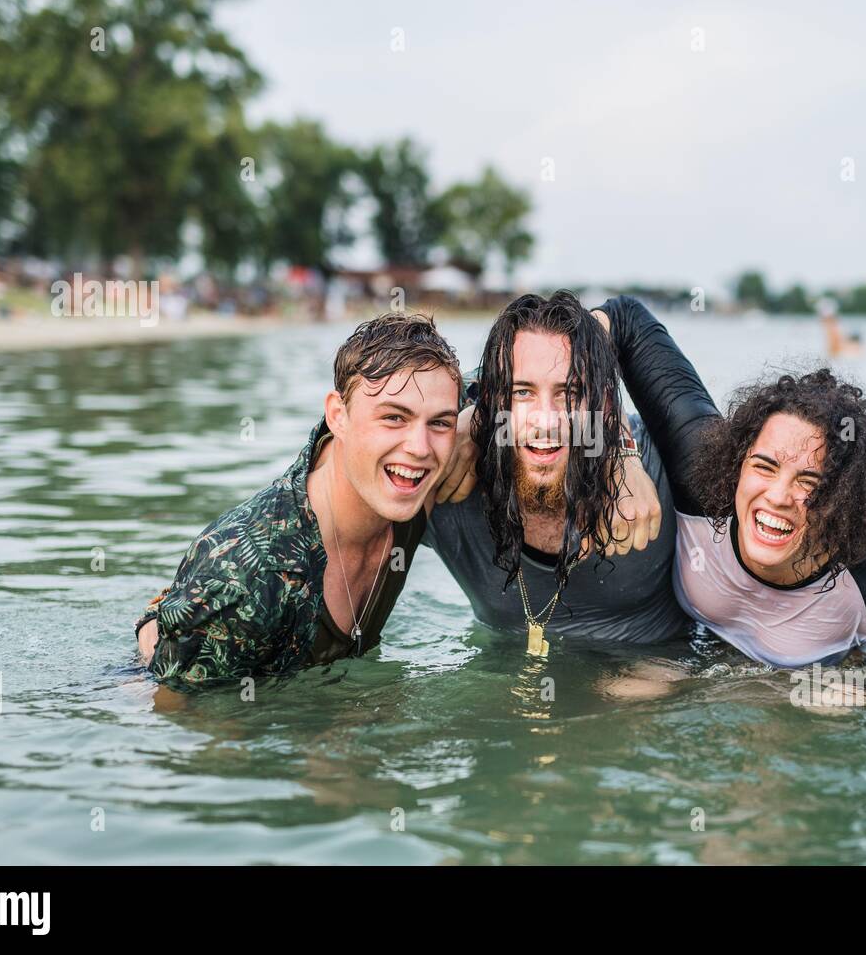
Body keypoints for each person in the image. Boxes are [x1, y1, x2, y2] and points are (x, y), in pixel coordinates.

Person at [596, 295, 866, 668]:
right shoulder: (702, 476)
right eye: (764, 466)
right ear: (737, 461)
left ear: (843, 498)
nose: (778, 496)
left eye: (809, 482)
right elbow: (624, 319)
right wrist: (619, 457)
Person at [135, 312, 464, 684]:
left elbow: (514, 387)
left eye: (440, 422)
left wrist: (477, 420)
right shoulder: (254, 576)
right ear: (338, 416)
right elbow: (181, 719)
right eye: (393, 418)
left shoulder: (410, 482)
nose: (419, 448)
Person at [424, 290, 683, 655]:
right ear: (493, 401)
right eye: (522, 392)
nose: (546, 420)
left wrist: (623, 452)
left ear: (603, 405)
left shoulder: (661, 466)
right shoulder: (449, 476)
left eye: (571, 391)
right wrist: (463, 411)